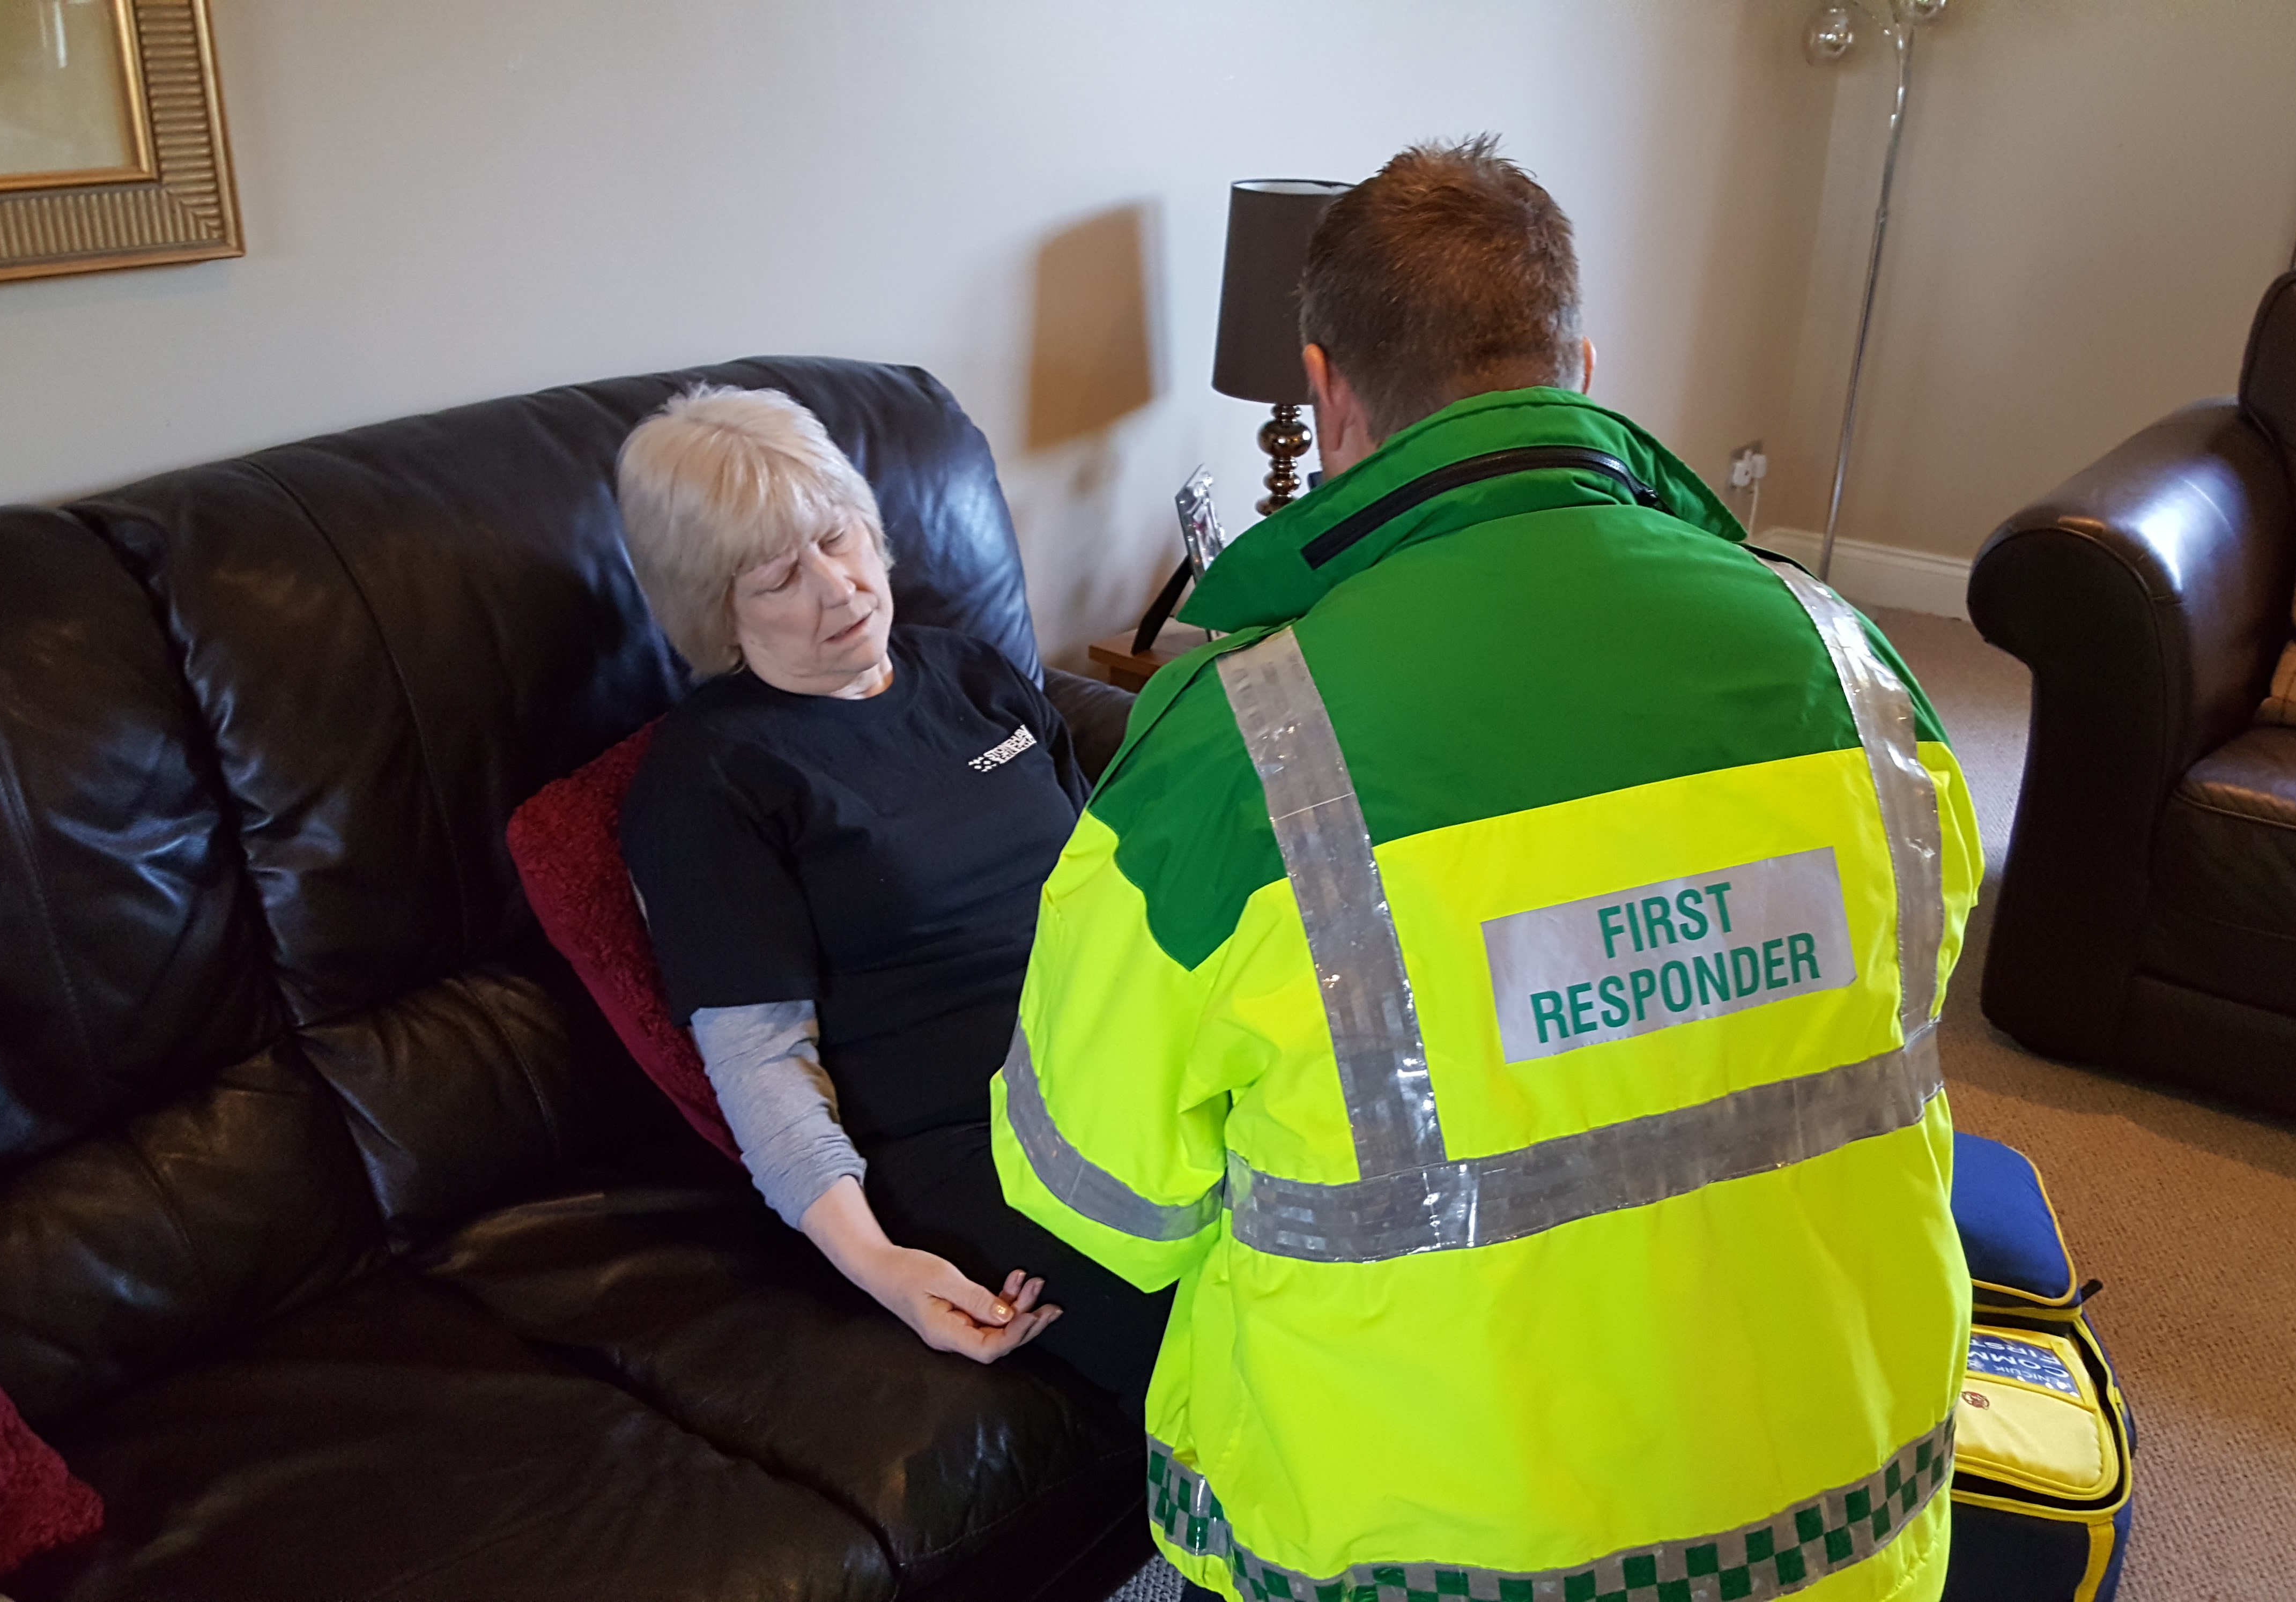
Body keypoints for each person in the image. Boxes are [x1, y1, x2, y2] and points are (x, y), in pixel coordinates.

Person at [993, 138, 1984, 1601]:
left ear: (1327, 391)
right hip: (1849, 1528)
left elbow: (1095, 1192)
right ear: (1579, 362)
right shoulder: (1848, 659)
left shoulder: (1243, 745)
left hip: (1421, 1565)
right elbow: (1907, 975)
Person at [615, 384, 1168, 1413]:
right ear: (715, 612)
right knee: (1229, 1343)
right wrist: (878, 1265)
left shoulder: (973, 673)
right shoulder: (711, 779)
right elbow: (760, 1060)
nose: (838, 588)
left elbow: (1112, 885)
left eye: (837, 537)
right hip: (969, 1145)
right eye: (778, 577)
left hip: (1132, 1069)